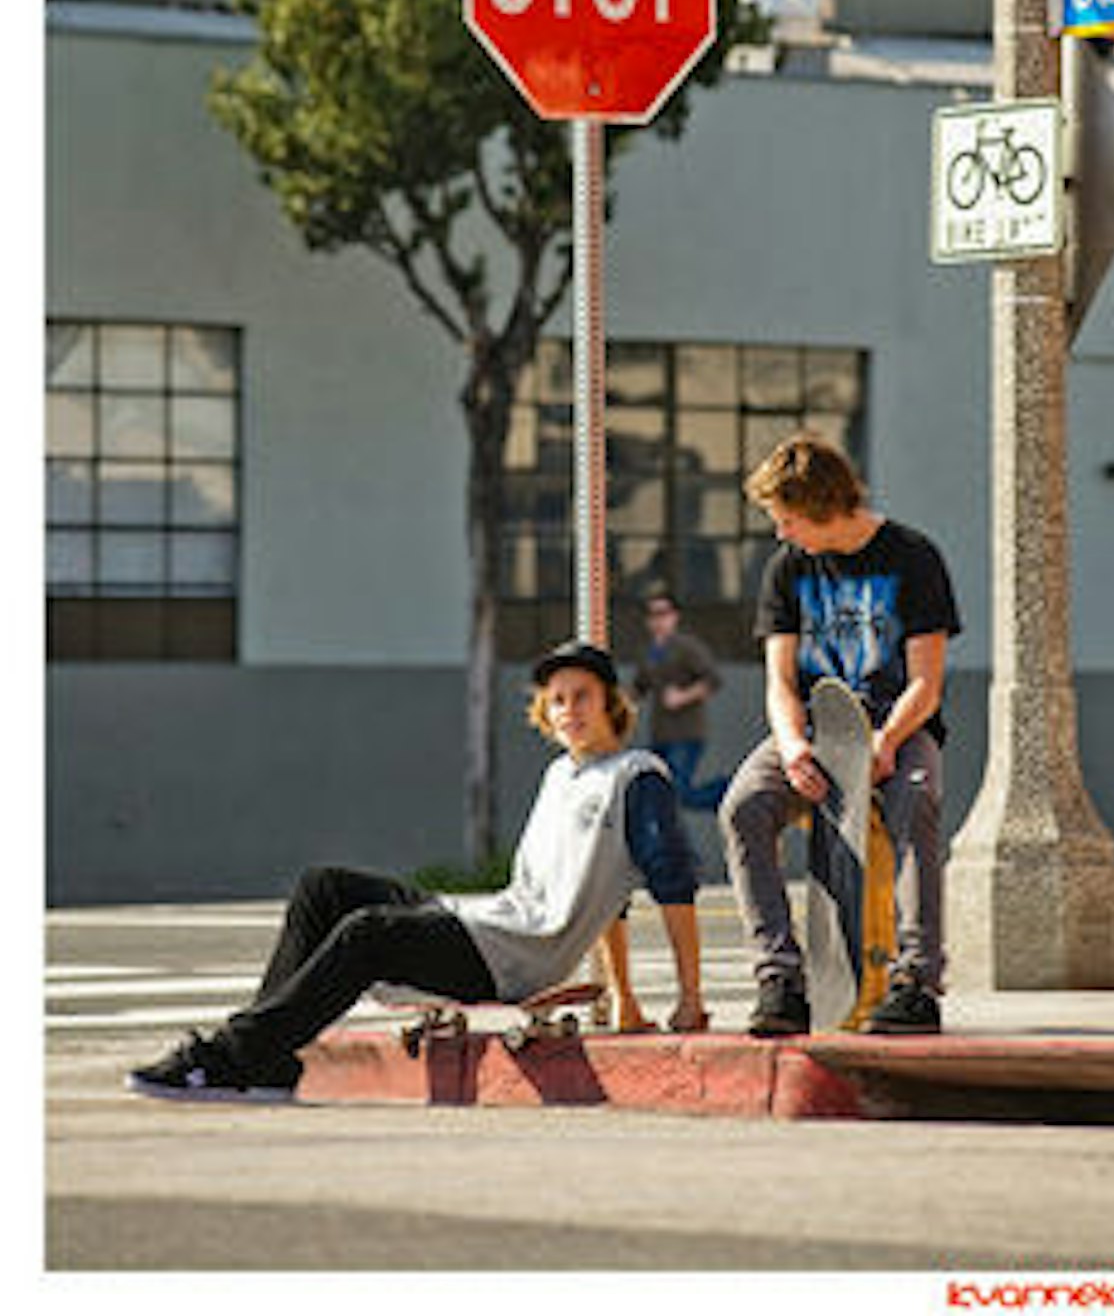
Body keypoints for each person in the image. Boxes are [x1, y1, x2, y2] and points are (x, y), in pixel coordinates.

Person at [127, 641, 708, 1102]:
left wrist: (690, 997)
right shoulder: (561, 775)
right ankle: (270, 1059)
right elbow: (609, 898)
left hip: (515, 956)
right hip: (487, 921)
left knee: (368, 934)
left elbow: (671, 882)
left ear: (611, 703)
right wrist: (625, 999)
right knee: (323, 889)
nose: (568, 710)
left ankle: (230, 1056)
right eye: (557, 700)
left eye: (582, 696)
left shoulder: (637, 776)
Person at [720, 431, 961, 1038]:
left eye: (788, 518)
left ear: (824, 506)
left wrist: (886, 741)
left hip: (897, 726)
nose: (781, 532)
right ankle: (780, 980)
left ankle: (916, 984)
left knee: (916, 802)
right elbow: (780, 682)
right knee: (743, 807)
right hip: (813, 730)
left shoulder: (913, 558)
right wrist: (793, 746)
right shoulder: (787, 569)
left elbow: (926, 683)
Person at [630, 587, 729, 812]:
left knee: (679, 793)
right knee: (657, 794)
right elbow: (639, 687)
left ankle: (727, 790)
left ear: (675, 617)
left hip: (687, 733)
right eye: (652, 615)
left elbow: (714, 680)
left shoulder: (687, 647)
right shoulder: (647, 651)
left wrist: (683, 696)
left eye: (663, 614)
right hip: (660, 734)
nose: (658, 620)